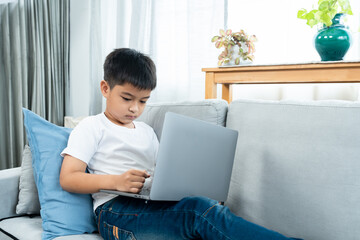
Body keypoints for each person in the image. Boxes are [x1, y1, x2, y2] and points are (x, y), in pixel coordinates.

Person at [60, 48, 300, 240]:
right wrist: (115, 181)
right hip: (114, 213)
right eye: (127, 98)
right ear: (105, 88)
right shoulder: (92, 127)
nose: (135, 108)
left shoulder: (146, 131)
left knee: (202, 208)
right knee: (197, 213)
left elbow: (161, 175)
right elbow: (68, 178)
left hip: (149, 205)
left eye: (143, 101)